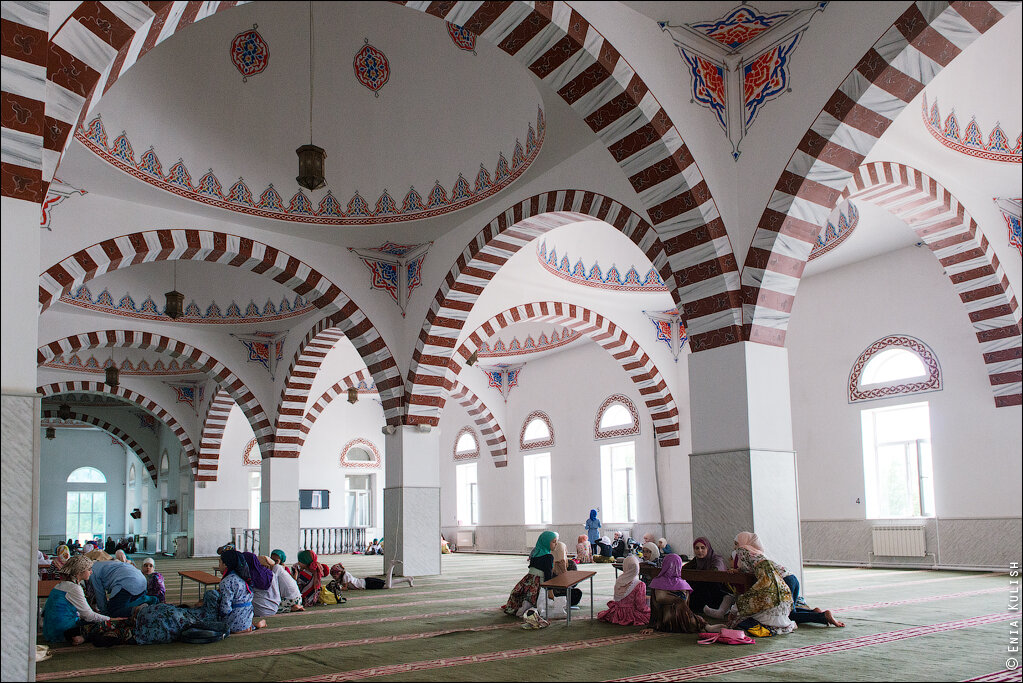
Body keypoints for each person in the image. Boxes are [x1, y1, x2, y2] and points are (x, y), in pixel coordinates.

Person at [724, 532, 796, 635]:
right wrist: (738, 570)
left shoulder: (743, 550)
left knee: (748, 604)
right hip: (782, 581)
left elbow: (748, 568)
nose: (735, 547)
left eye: (736, 543)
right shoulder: (757, 553)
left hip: (770, 581)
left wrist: (733, 611)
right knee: (787, 611)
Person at [42, 555, 111, 644]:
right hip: (63, 631)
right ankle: (81, 637)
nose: (91, 572)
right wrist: (110, 619)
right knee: (107, 625)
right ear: (79, 572)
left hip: (49, 631)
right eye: (89, 569)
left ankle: (80, 637)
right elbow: (89, 616)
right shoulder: (74, 588)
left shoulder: (60, 585)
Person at [641, 553, 705, 634]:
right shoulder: (682, 584)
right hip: (680, 624)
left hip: (665, 624)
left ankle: (704, 625)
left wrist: (652, 626)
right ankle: (704, 625)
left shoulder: (658, 582)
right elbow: (686, 608)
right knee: (697, 621)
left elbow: (655, 607)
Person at [502, 531, 558, 615]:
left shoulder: (535, 553)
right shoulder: (548, 557)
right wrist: (550, 592)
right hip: (539, 582)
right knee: (541, 600)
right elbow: (548, 575)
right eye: (554, 542)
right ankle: (528, 606)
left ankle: (525, 604)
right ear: (546, 542)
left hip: (529, 580)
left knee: (526, 595)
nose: (556, 544)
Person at [683, 536, 733, 617]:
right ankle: (701, 608)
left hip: (717, 591)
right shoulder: (695, 561)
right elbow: (683, 570)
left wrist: (701, 575)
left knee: (705, 582)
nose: (700, 551)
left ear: (708, 548)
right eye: (697, 548)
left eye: (703, 548)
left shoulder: (716, 559)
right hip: (702, 594)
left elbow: (715, 571)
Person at [218, 548, 265, 632]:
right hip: (247, 619)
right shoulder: (244, 577)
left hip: (233, 624)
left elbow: (226, 609)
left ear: (225, 565)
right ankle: (250, 626)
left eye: (220, 562)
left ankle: (242, 629)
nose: (219, 566)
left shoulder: (226, 581)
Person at [598, 555, 650, 626]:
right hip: (631, 614)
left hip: (618, 613)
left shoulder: (619, 580)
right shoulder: (639, 584)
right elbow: (640, 606)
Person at [330, 561, 414, 590]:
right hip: (366, 582)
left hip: (367, 584)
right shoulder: (342, 577)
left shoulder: (345, 576)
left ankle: (391, 565)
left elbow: (345, 588)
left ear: (339, 573)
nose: (334, 577)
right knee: (388, 583)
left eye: (334, 575)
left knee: (387, 586)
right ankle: (408, 579)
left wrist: (336, 588)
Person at [551, 541, 582, 606]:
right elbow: (546, 582)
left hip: (566, 591)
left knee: (577, 593)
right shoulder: (549, 563)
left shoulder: (571, 563)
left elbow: (574, 583)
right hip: (551, 592)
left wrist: (564, 571)